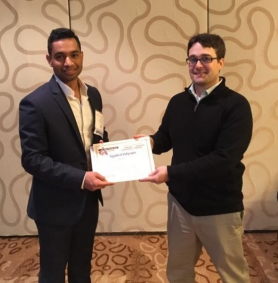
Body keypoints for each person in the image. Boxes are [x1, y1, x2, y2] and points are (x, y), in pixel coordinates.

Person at [135, 33, 252, 283]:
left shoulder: (236, 106)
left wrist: (171, 173)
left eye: (206, 58)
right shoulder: (178, 102)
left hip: (219, 207)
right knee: (178, 272)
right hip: (181, 205)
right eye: (192, 59)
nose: (198, 65)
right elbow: (166, 136)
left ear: (221, 62)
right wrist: (149, 143)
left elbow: (223, 159)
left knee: (233, 274)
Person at [19, 28, 114, 283]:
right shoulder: (35, 103)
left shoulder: (93, 94)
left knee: (82, 267)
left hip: (88, 202)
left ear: (82, 56)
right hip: (54, 205)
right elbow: (32, 159)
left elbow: (95, 135)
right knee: (52, 271)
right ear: (49, 59)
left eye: (74, 55)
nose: (68, 62)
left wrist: (110, 155)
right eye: (60, 56)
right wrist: (82, 178)